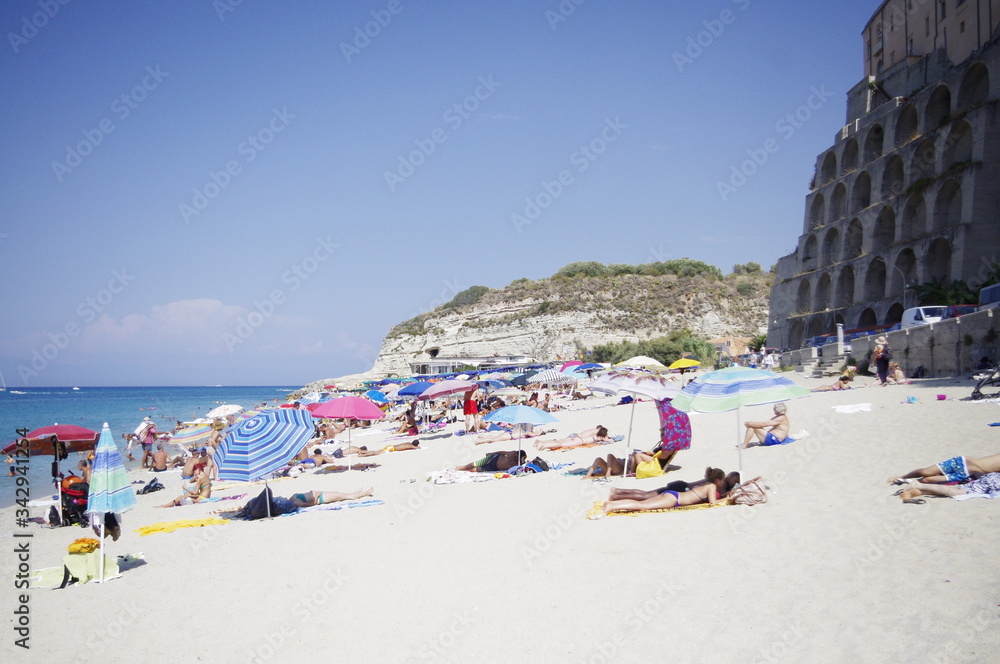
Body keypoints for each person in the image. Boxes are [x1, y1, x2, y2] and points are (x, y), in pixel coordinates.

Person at [603, 467, 735, 514]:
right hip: (674, 499)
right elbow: (713, 503)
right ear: (717, 480)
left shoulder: (705, 484)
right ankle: (611, 506)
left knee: (644, 500)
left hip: (673, 495)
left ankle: (613, 504)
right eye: (722, 480)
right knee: (642, 505)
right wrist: (727, 498)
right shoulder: (711, 487)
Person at [607, 470, 741, 503]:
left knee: (646, 493)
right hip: (681, 489)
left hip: (680, 485)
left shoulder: (713, 480)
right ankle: (617, 494)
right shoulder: (717, 484)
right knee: (646, 496)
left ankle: (618, 492)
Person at [887, 453, 1000, 485]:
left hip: (966, 473)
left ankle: (910, 482)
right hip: (962, 461)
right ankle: (902, 477)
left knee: (927, 480)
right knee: (925, 472)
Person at [898, 473, 1000, 503]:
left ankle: (921, 491)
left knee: (960, 489)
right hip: (994, 482)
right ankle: (920, 486)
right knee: (960, 492)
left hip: (993, 478)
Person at [533, 426, 612, 450]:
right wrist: (609, 438)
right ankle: (544, 446)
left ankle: (542, 442)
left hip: (577, 436)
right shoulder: (600, 435)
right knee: (561, 444)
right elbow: (609, 440)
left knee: (560, 441)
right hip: (580, 440)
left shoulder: (593, 431)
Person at [455, 450, 526, 473]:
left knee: (476, 470)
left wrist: (523, 460)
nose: (515, 456)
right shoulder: (512, 453)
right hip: (493, 459)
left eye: (517, 457)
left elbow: (524, 465)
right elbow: (501, 452)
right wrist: (491, 454)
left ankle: (462, 471)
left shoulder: (518, 464)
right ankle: (460, 468)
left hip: (494, 468)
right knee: (474, 464)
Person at [476, 426, 548, 445]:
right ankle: (479, 441)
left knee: (495, 438)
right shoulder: (527, 431)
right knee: (493, 440)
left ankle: (481, 437)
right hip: (509, 436)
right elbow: (533, 435)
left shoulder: (522, 427)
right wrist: (539, 432)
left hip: (508, 433)